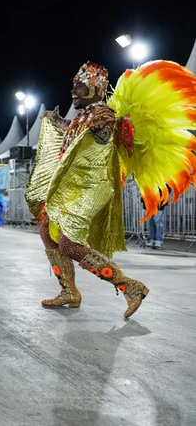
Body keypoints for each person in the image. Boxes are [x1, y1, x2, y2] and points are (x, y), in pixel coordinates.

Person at [26, 60, 196, 318]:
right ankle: (68, 291)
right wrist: (57, 120)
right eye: (73, 86)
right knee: (46, 230)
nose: (74, 91)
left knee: (70, 244)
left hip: (90, 187)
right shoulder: (82, 116)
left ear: (96, 89)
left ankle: (130, 287)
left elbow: (104, 133)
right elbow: (72, 132)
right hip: (70, 186)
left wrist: (100, 128)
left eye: (80, 86)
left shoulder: (103, 114)